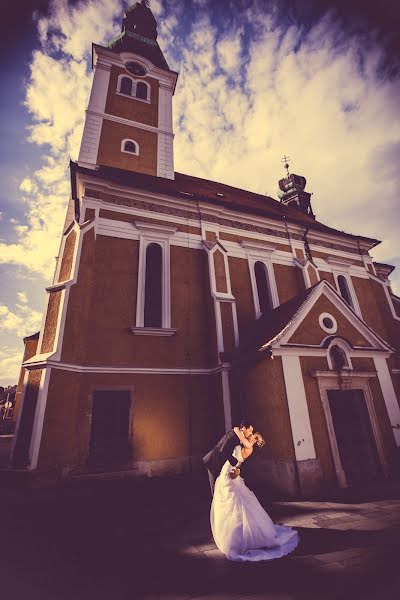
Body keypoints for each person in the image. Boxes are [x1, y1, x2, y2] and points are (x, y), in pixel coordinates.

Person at [210, 432, 299, 561]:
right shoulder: (243, 445)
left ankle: (238, 540)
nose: (250, 435)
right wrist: (238, 470)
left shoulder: (249, 446)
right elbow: (238, 461)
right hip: (228, 472)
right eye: (251, 434)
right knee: (229, 503)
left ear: (254, 440)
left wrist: (241, 430)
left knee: (235, 505)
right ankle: (233, 536)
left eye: (253, 435)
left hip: (230, 474)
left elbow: (237, 433)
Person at [202, 421, 254, 493]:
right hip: (213, 462)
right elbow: (222, 451)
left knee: (219, 490)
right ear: (244, 428)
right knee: (216, 490)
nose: (251, 433)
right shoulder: (233, 436)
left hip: (219, 463)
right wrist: (235, 462)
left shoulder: (237, 435)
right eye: (250, 431)